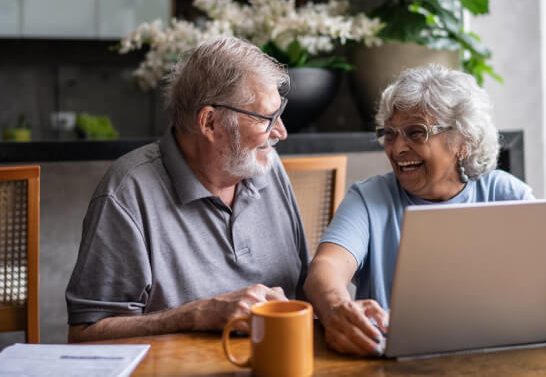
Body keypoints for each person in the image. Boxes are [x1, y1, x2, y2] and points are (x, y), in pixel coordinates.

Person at [66, 36, 309, 342]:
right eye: (267, 118)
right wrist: (195, 314)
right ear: (210, 123)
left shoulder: (269, 168)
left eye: (280, 111)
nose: (281, 132)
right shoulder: (128, 191)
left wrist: (338, 304)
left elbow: (303, 286)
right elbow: (84, 334)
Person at [303, 64, 534, 356]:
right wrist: (336, 307)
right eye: (389, 134)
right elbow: (325, 269)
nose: (397, 148)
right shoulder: (369, 198)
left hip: (496, 356)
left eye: (416, 133)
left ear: (463, 141)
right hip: (395, 362)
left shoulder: (506, 195)